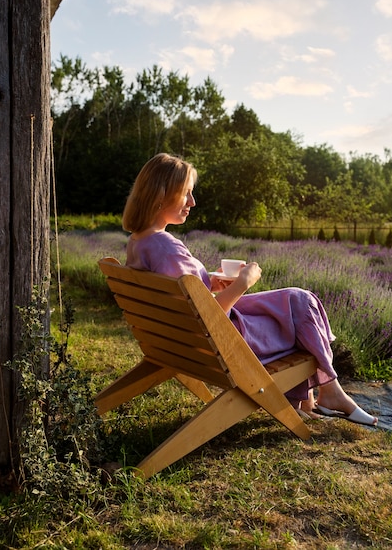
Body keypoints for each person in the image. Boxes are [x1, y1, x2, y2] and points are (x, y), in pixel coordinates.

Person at [122, 153, 378, 427]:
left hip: (183, 344)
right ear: (161, 195)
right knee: (300, 311)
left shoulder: (140, 242)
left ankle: (316, 396)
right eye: (186, 194)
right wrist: (244, 281)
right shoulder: (166, 246)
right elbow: (209, 317)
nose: (192, 203)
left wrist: (208, 281)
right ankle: (328, 392)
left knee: (296, 299)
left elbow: (181, 294)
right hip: (225, 341)